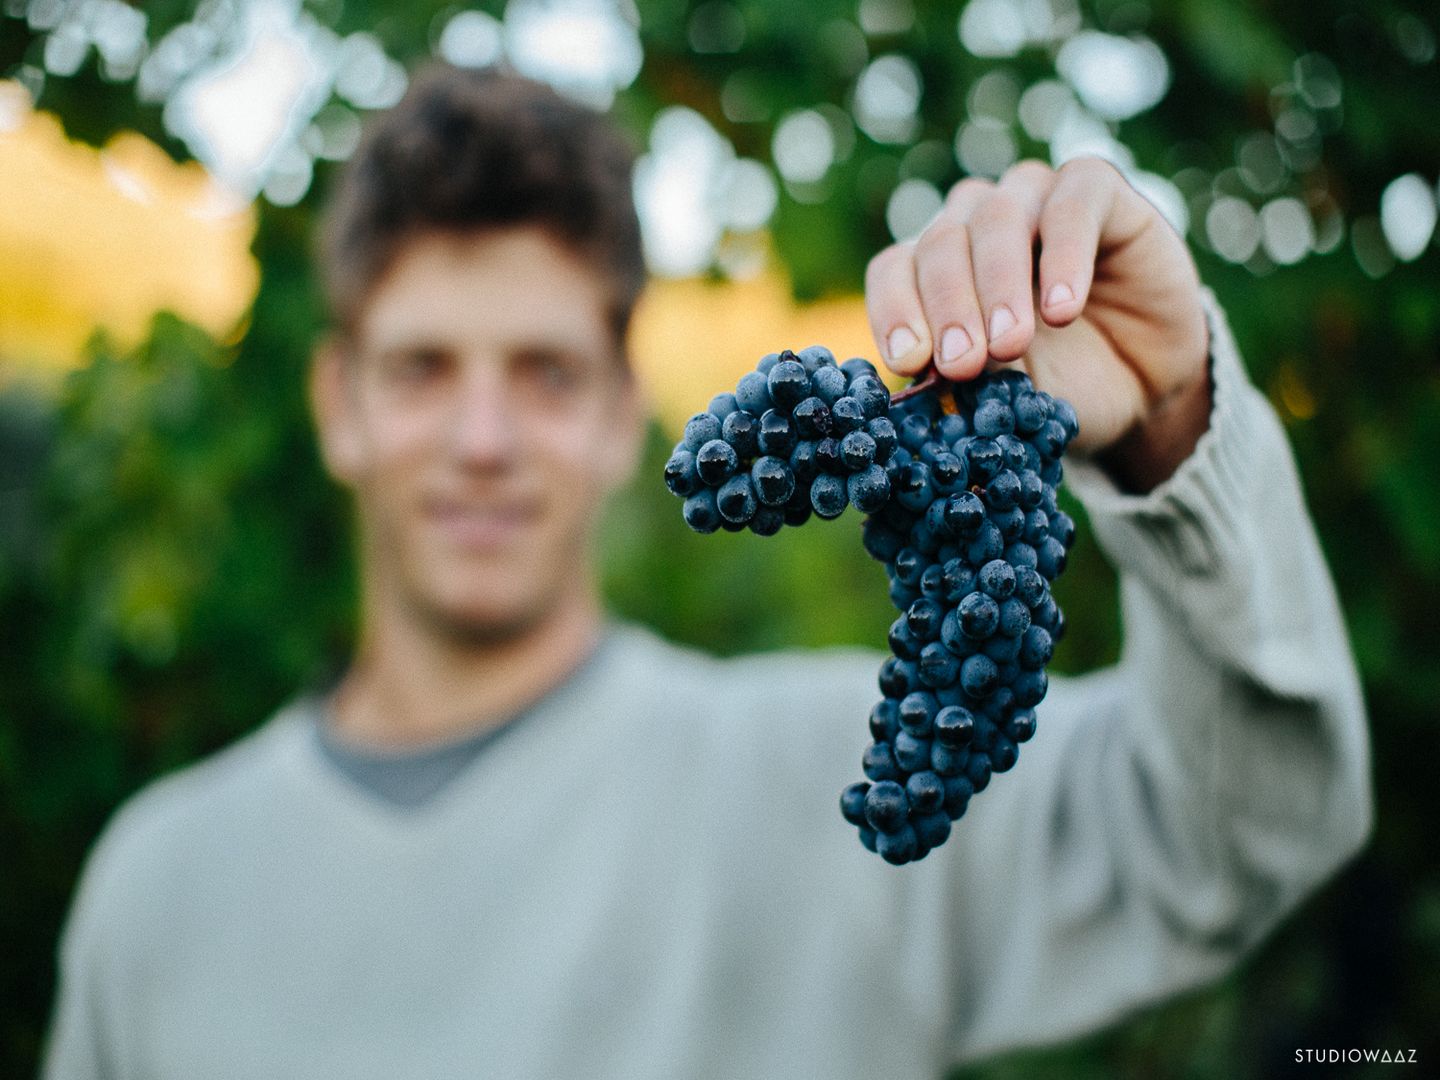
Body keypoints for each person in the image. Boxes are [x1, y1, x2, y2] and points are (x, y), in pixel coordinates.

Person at [42, 63, 1372, 1080]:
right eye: (423, 370)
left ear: (627, 409)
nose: (485, 440)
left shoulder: (811, 777)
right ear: (338, 403)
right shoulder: (156, 890)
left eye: (548, 373)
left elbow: (1252, 835)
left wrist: (1174, 425)